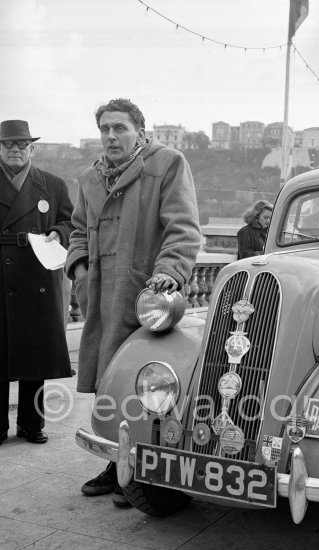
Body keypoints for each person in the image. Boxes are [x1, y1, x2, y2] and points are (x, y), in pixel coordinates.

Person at [66, 98, 201, 507]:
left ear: (140, 131)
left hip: (147, 299)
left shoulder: (167, 164)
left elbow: (183, 228)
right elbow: (75, 232)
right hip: (101, 298)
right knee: (109, 382)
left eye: (120, 128)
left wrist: (169, 273)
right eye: (105, 128)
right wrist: (80, 272)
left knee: (151, 384)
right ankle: (117, 464)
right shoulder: (90, 178)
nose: (111, 136)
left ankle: (145, 475)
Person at [0, 120, 73, 445]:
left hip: (38, 272)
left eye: (21, 144)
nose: (15, 149)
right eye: (8, 144)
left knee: (35, 353)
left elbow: (71, 221)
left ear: (32, 148)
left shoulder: (53, 185)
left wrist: (59, 233)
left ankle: (32, 424)